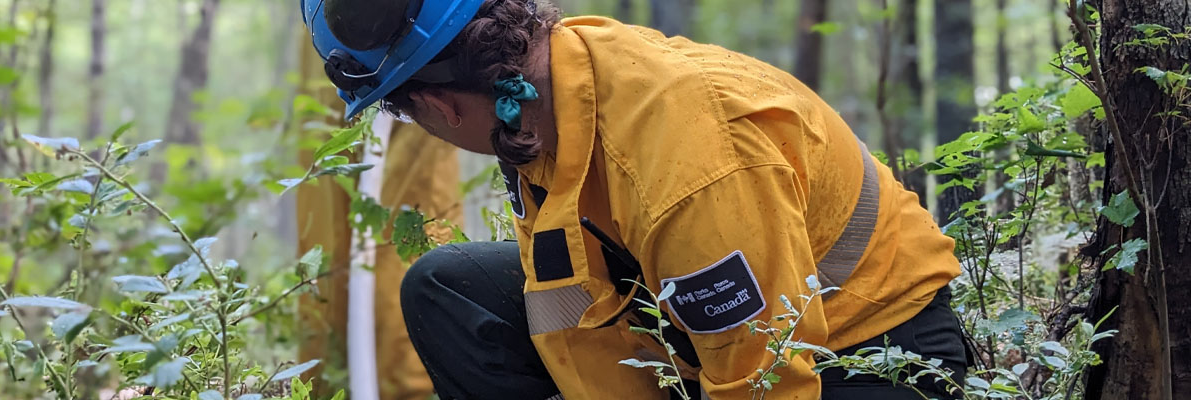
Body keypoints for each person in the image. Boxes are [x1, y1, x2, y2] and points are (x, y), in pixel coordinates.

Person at [300, 0, 968, 398]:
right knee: (447, 288)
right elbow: (573, 318)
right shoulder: (541, 99)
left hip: (867, 348)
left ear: (441, 106)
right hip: (704, 324)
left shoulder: (687, 166)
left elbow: (764, 380)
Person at [293, 29, 461, 400]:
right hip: (359, 27)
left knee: (396, 213)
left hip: (374, 26)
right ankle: (340, 383)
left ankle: (386, 385)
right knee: (355, 204)